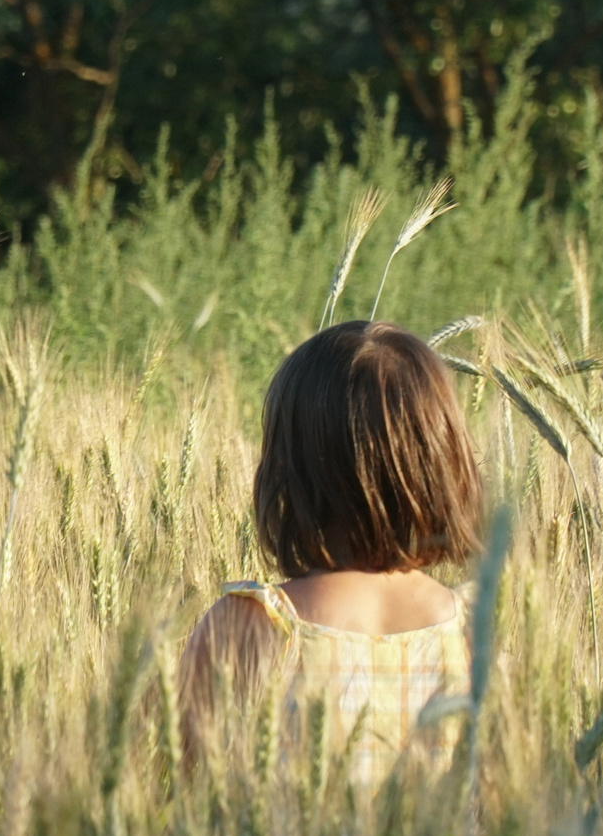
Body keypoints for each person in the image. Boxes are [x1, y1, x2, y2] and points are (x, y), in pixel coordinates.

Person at [180, 320, 485, 784]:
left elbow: (167, 784)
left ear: (288, 470)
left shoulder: (249, 624)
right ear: (443, 460)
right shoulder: (475, 632)